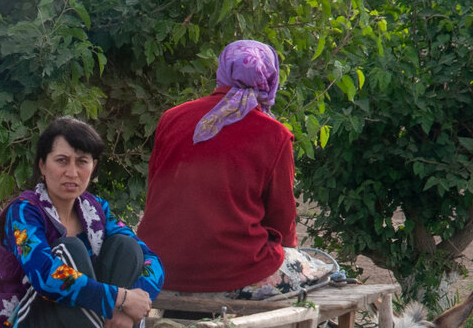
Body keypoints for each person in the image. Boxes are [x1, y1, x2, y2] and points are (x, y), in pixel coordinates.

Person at [0, 117, 167, 328]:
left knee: (127, 247)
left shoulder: (97, 212)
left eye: (82, 161)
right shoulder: (25, 212)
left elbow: (152, 261)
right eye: (61, 160)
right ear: (42, 166)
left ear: (93, 167)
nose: (72, 172)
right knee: (68, 250)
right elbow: (46, 276)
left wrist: (129, 311)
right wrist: (119, 299)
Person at [137, 39, 331, 300]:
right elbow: (282, 221)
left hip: (158, 266)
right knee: (321, 270)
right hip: (232, 272)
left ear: (222, 71)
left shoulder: (171, 118)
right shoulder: (275, 135)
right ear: (270, 79)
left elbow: (156, 191)